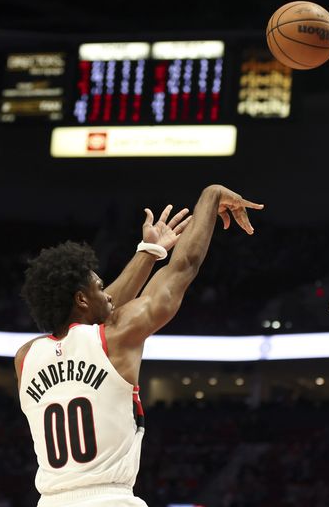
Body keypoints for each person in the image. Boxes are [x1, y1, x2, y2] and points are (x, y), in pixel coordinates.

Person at [15, 185, 264, 506]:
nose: (108, 294)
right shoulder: (115, 338)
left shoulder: (26, 357)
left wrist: (149, 251)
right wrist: (211, 196)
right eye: (100, 287)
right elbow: (183, 267)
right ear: (80, 298)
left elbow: (92, 316)